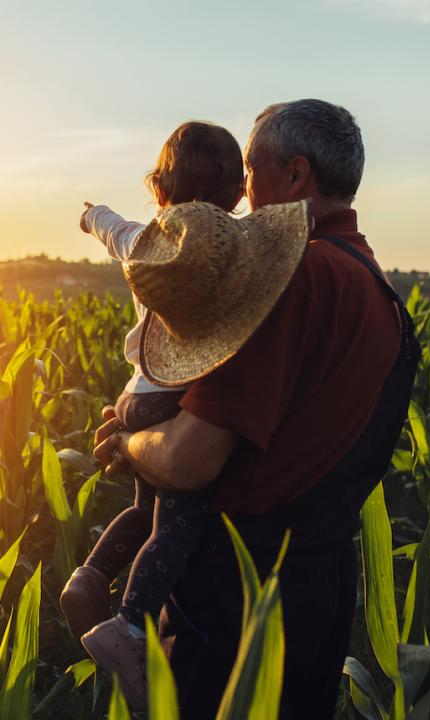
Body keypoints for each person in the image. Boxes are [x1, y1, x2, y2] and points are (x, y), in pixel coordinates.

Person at [93, 99, 421, 719]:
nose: (241, 191)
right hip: (318, 588)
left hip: (238, 594)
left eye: (251, 170)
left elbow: (189, 461)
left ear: (295, 177)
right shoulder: (376, 287)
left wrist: (129, 444)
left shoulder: (292, 277)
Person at [60, 122, 245, 710]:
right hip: (177, 396)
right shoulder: (229, 258)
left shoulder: (142, 242)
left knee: (143, 511)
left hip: (138, 391)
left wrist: (93, 216)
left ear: (159, 191)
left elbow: (111, 228)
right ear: (239, 198)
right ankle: (130, 623)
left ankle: (88, 577)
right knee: (176, 524)